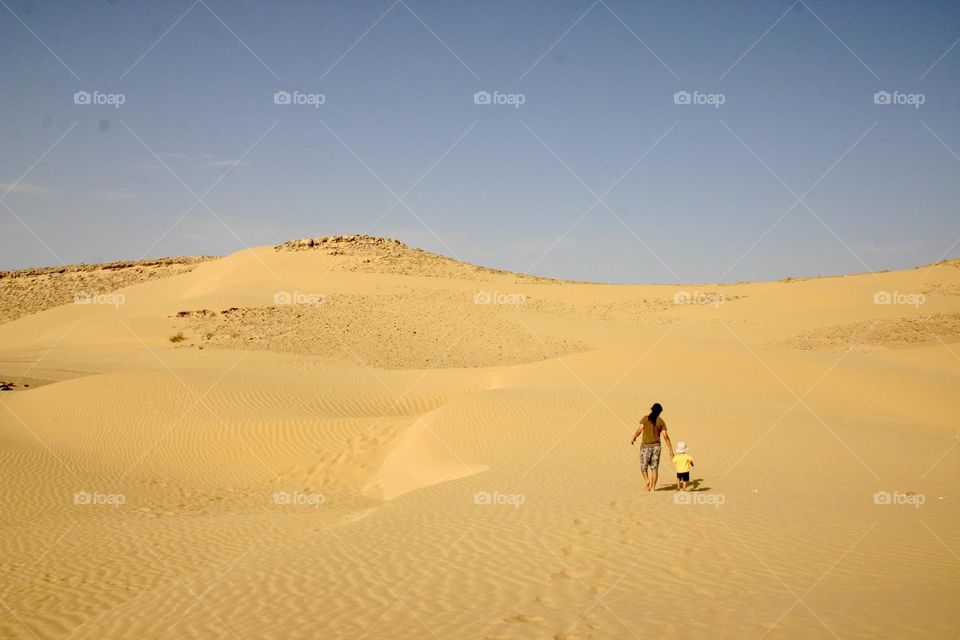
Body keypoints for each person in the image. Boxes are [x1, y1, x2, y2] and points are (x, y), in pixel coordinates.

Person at [629, 402, 674, 491]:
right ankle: (653, 488)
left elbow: (640, 429)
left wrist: (634, 437)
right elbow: (666, 437)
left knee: (643, 466)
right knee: (654, 468)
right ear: (660, 412)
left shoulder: (645, 419)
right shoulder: (661, 421)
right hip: (657, 447)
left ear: (652, 409)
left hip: (645, 446)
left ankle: (647, 481)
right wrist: (671, 450)